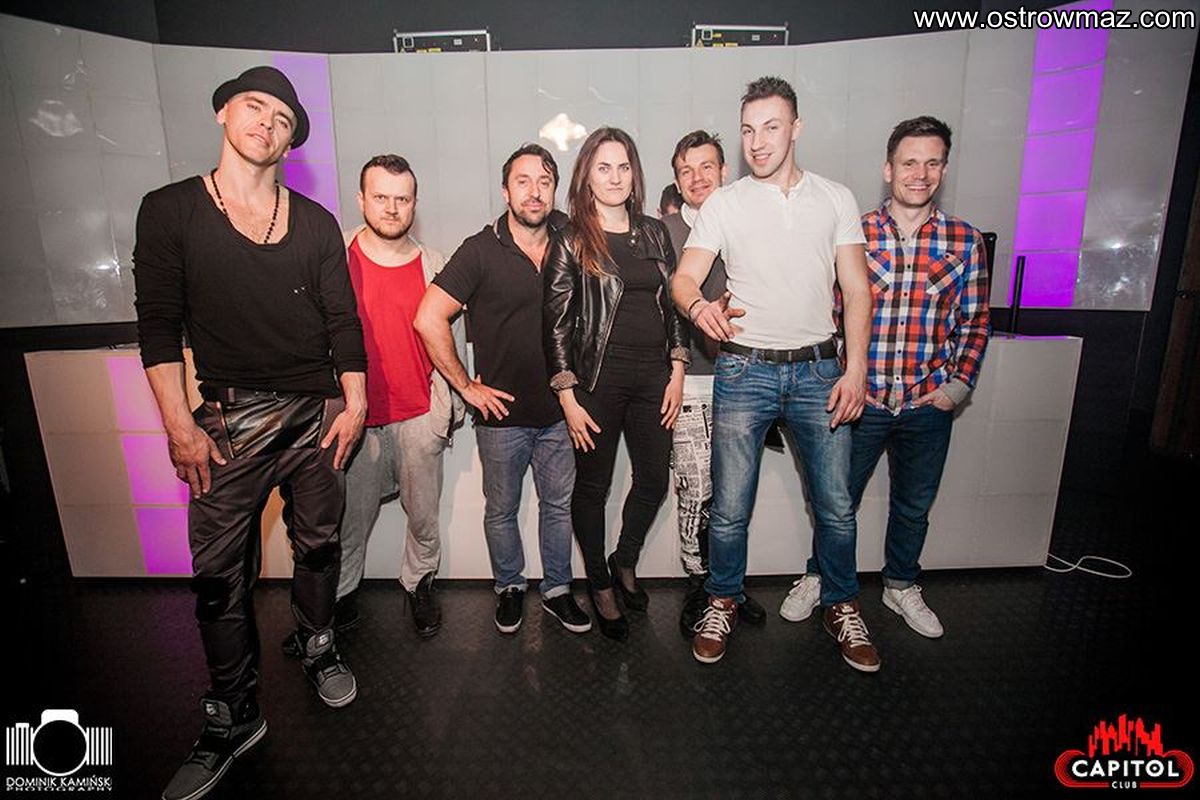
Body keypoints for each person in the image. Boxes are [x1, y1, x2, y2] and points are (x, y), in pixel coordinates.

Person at [134, 66, 365, 800]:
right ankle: (233, 715)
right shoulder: (170, 210)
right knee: (217, 577)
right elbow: (157, 326)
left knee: (319, 544)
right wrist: (179, 424)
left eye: (283, 119)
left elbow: (343, 322)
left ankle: (319, 645)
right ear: (223, 113)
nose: (267, 123)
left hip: (317, 411)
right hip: (228, 420)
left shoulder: (316, 222)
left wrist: (354, 402)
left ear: (291, 142)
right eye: (255, 107)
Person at [670, 76, 875, 670]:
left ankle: (841, 604)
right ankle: (722, 600)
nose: (758, 142)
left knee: (835, 507)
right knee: (730, 508)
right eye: (748, 130)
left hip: (820, 372)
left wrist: (856, 369)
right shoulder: (725, 203)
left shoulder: (835, 198)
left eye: (771, 127)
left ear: (796, 128)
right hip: (744, 372)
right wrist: (698, 308)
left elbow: (857, 290)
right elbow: (683, 279)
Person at [780, 116, 991, 640]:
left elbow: (975, 322)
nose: (920, 173)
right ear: (888, 169)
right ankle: (821, 578)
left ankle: (901, 585)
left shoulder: (965, 241)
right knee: (836, 503)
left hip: (926, 402)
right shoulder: (855, 233)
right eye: (909, 162)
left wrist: (956, 388)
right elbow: (829, 311)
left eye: (932, 163)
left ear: (943, 169)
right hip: (860, 399)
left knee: (914, 507)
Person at [414, 144, 591, 636]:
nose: (534, 192)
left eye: (544, 182)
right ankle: (509, 586)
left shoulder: (573, 242)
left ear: (554, 190)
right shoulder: (480, 249)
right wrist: (466, 387)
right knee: (501, 511)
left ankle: (557, 590)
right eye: (523, 181)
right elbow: (428, 318)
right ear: (505, 191)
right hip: (501, 418)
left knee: (558, 509)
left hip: (562, 412)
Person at [544, 127, 689, 640]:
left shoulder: (654, 233)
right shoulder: (570, 238)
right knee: (593, 488)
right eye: (603, 167)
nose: (614, 177)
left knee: (653, 481)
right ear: (587, 175)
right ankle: (600, 585)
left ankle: (624, 559)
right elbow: (556, 323)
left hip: (654, 378)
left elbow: (674, 306)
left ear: (635, 173)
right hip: (596, 384)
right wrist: (567, 396)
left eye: (623, 166)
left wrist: (677, 369)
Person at [333, 154, 465, 639]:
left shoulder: (435, 265)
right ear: (361, 199)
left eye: (402, 199)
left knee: (423, 518)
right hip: (355, 418)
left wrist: (450, 407)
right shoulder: (335, 258)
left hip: (418, 415)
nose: (391, 208)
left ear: (414, 203)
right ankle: (341, 595)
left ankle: (419, 584)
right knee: (348, 521)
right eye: (381, 197)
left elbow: (452, 340)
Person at [659, 130, 766, 636]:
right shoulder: (662, 233)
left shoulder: (750, 220)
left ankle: (729, 586)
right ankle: (699, 584)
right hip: (689, 384)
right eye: (686, 170)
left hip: (747, 381)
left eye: (707, 167)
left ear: (725, 171)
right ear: (676, 180)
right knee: (695, 491)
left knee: (733, 496)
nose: (697, 177)